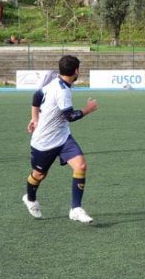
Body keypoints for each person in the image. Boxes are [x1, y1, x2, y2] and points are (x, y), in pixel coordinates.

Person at [22, 56, 98, 224]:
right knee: (39, 175)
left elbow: (36, 95)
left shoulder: (55, 82)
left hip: (63, 138)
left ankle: (76, 209)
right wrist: (88, 109)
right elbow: (70, 116)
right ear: (76, 71)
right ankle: (30, 198)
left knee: (81, 166)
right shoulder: (62, 91)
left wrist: (34, 118)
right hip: (44, 141)